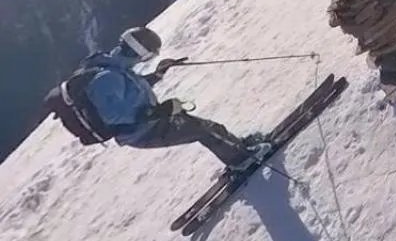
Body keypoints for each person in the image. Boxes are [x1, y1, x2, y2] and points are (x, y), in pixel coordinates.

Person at [46, 26, 270, 171]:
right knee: (202, 130)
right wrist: (157, 112)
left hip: (151, 122)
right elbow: (114, 116)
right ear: (143, 53)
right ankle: (242, 160)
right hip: (142, 132)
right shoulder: (108, 78)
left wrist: (159, 74)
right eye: (151, 55)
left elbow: (131, 91)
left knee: (207, 127)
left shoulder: (114, 67)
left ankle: (238, 148)